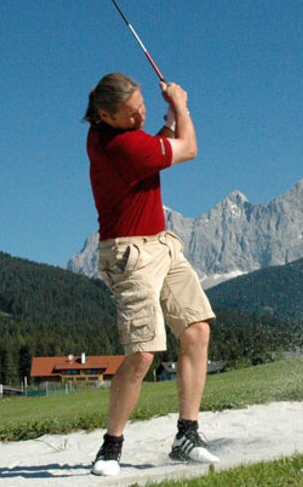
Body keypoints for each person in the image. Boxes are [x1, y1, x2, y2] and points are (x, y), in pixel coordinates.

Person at [83, 72, 219, 476]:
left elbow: (157, 141)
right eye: (132, 114)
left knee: (196, 330)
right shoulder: (118, 145)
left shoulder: (124, 134)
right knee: (142, 352)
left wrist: (165, 117)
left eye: (143, 107)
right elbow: (189, 148)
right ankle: (111, 446)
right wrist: (180, 104)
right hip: (129, 255)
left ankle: (187, 435)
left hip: (161, 243)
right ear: (105, 115)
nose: (140, 117)